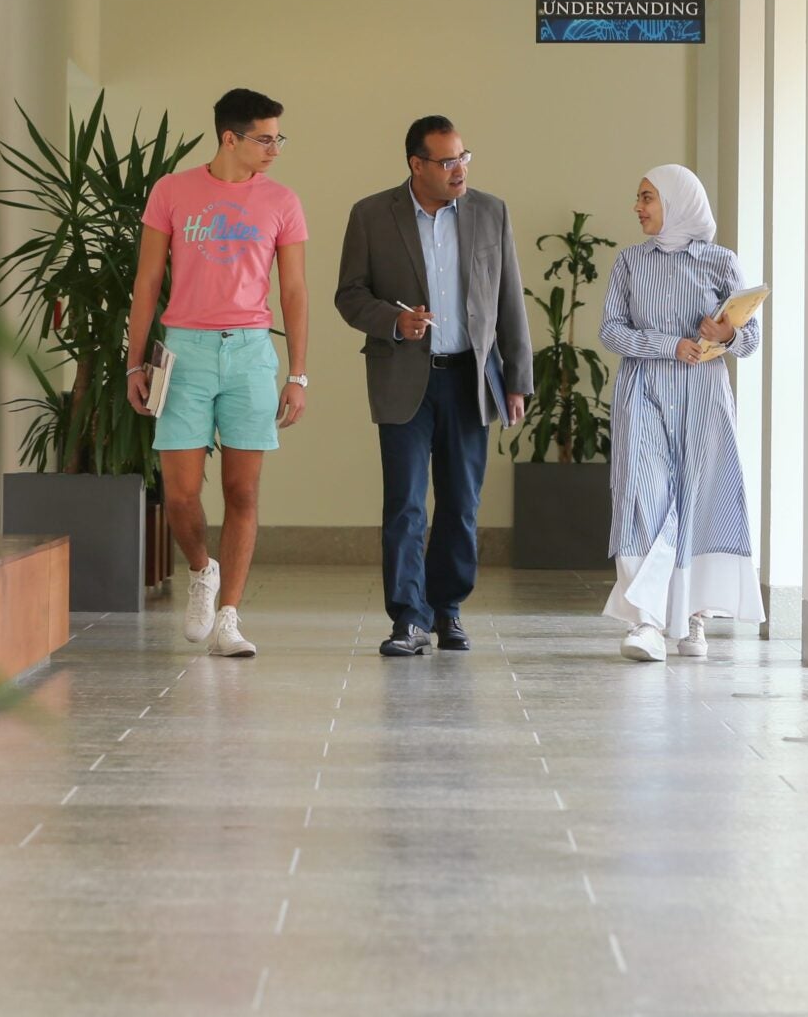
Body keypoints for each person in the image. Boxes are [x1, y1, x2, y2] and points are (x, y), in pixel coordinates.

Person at [334, 117, 533, 657]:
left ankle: (448, 610)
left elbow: (510, 299)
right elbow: (349, 295)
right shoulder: (372, 215)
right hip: (403, 379)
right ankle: (408, 617)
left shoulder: (491, 212)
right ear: (416, 165)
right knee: (404, 505)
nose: (459, 170)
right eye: (447, 161)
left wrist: (516, 380)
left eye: (464, 157)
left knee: (461, 504)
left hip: (470, 378)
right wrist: (393, 322)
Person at [126, 87, 311, 658]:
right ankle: (201, 570)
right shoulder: (173, 192)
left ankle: (229, 616)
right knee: (180, 495)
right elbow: (148, 281)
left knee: (242, 490)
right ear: (229, 138)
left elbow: (294, 288)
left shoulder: (282, 201)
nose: (275, 148)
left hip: (252, 351)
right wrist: (135, 360)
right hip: (184, 351)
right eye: (265, 138)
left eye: (279, 137)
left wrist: (298, 374)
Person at [599, 164, 763, 662]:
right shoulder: (629, 263)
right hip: (643, 392)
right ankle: (646, 622)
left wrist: (726, 336)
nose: (638, 207)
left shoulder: (721, 263)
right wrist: (671, 346)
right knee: (641, 496)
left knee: (696, 501)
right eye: (639, 197)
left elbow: (750, 340)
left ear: (677, 203)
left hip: (704, 401)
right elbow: (610, 331)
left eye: (647, 197)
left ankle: (691, 615)